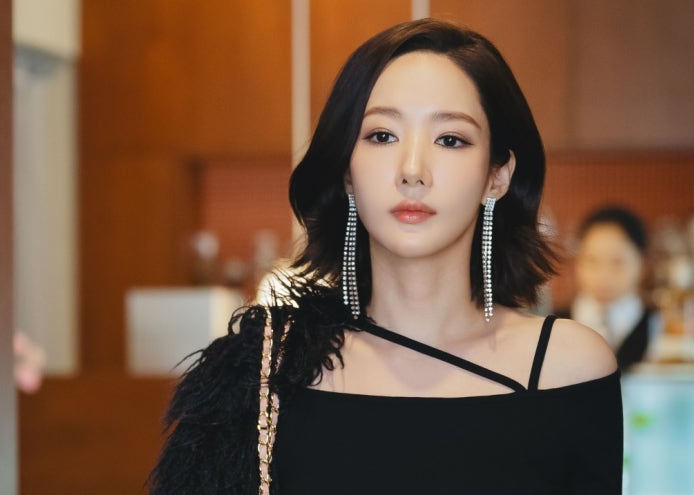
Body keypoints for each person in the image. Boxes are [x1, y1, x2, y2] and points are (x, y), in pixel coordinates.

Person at [149, 18, 622, 494]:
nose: (412, 170)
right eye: (382, 136)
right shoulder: (268, 369)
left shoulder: (566, 367)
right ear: (346, 170)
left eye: (450, 139)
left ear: (497, 175)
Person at [569, 206, 651, 370]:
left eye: (617, 262)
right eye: (592, 260)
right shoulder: (555, 323)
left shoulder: (661, 327)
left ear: (642, 265)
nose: (603, 276)